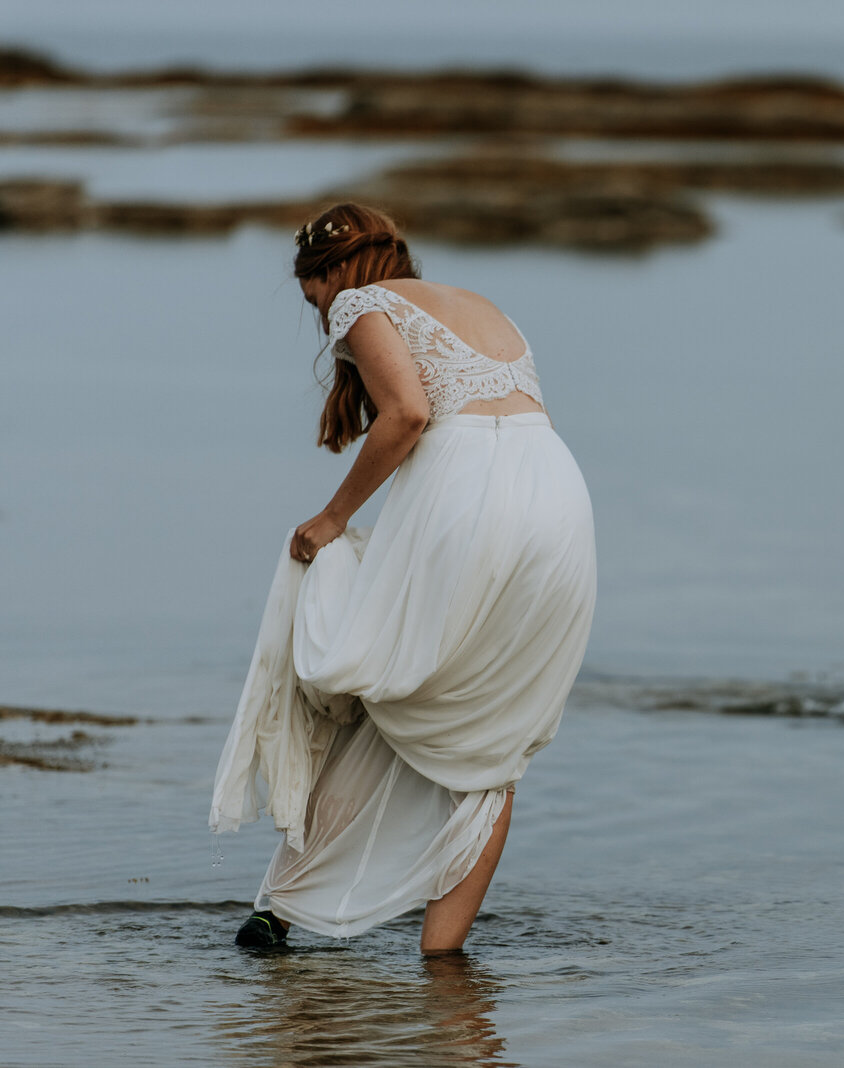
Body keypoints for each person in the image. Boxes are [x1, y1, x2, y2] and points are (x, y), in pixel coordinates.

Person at [211, 203, 597, 952]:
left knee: (383, 689)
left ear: (331, 273)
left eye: (310, 294)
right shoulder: (485, 307)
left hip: (470, 502)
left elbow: (409, 414)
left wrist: (331, 517)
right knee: (495, 740)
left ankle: (290, 908)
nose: (318, 310)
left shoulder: (359, 304)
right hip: (559, 502)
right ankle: (438, 961)